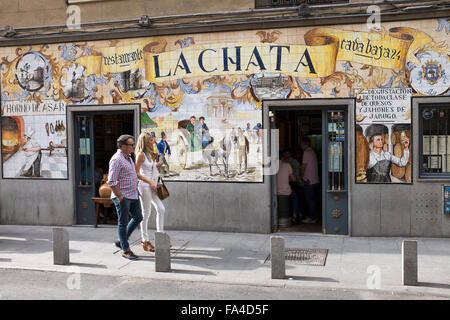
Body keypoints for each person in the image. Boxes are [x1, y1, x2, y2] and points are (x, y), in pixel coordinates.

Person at [107, 134, 143, 260]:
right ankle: (125, 250)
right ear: (123, 146)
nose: (133, 147)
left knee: (138, 217)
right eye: (131, 145)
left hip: (133, 194)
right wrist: (120, 197)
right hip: (123, 196)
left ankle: (120, 241)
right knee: (122, 223)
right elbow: (111, 181)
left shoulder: (128, 157)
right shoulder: (117, 159)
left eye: (133, 144)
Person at [135, 132, 166, 253]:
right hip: (144, 185)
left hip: (152, 185)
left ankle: (160, 236)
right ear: (146, 142)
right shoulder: (140, 155)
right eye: (151, 141)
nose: (153, 142)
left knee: (161, 209)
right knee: (146, 213)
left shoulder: (149, 154)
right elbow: (137, 173)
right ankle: (145, 240)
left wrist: (156, 165)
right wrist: (150, 182)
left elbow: (149, 168)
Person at [300, 137, 320, 224]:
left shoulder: (306, 152)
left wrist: (301, 175)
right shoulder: (312, 152)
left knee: (309, 200)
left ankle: (312, 217)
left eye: (301, 144)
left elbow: (303, 166)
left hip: (309, 180)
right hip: (315, 180)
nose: (300, 146)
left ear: (304, 144)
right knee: (313, 200)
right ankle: (313, 216)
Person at [276, 149, 296, 224]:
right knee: (296, 197)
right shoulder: (287, 165)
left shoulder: (273, 166)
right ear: (283, 157)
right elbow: (293, 179)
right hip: (286, 192)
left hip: (275, 191)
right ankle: (294, 215)